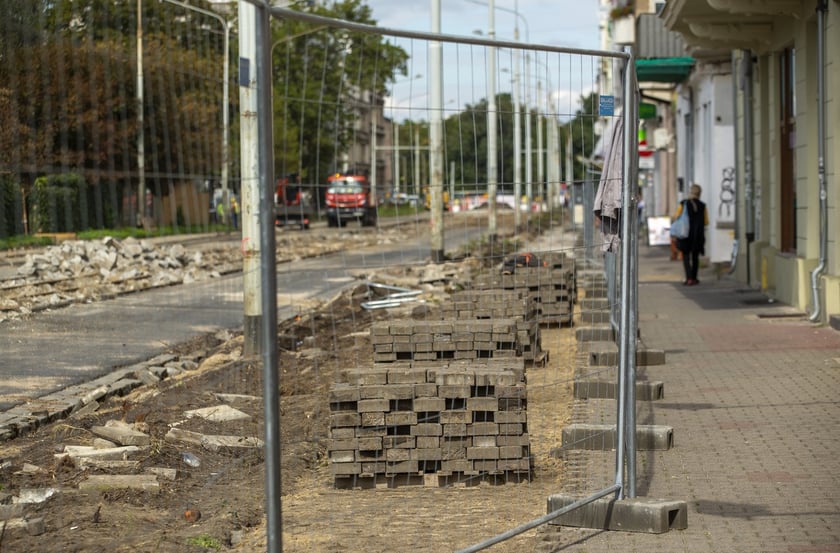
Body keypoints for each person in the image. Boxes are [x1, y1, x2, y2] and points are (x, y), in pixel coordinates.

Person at [674, 184, 709, 286]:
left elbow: (677, 216)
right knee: (695, 257)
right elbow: (706, 221)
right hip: (697, 235)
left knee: (685, 257)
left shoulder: (683, 204)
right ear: (699, 194)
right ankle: (694, 278)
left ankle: (688, 278)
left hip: (685, 234)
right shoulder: (703, 206)